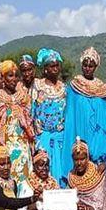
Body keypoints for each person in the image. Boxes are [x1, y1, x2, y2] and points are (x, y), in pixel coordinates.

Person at [63, 47, 106, 176]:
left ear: (96, 67)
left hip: (97, 137)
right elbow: (70, 117)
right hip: (79, 133)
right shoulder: (74, 86)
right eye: (85, 65)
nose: (87, 68)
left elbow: (105, 123)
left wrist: (103, 152)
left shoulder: (101, 89)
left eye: (91, 66)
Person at [0, 60, 34, 183]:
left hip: (23, 148)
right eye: (10, 75)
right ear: (2, 77)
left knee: (25, 182)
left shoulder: (24, 98)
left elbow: (29, 123)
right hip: (5, 149)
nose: (14, 79)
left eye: (16, 76)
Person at [31, 50, 68, 182]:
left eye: (57, 65)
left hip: (60, 138)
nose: (55, 69)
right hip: (43, 137)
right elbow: (32, 112)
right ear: (45, 68)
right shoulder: (37, 86)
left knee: (60, 171)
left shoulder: (64, 88)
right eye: (52, 66)